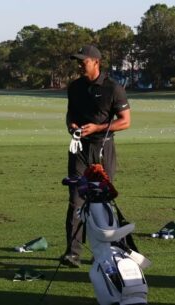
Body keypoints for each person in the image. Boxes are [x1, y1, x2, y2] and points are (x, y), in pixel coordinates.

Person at [61, 45, 131, 268]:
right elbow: (70, 113)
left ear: (96, 62)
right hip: (79, 149)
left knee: (103, 201)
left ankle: (106, 249)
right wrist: (72, 125)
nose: (80, 64)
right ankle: (72, 253)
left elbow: (125, 121)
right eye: (78, 60)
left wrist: (98, 128)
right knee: (76, 201)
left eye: (83, 60)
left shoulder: (113, 88)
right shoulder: (75, 87)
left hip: (103, 149)